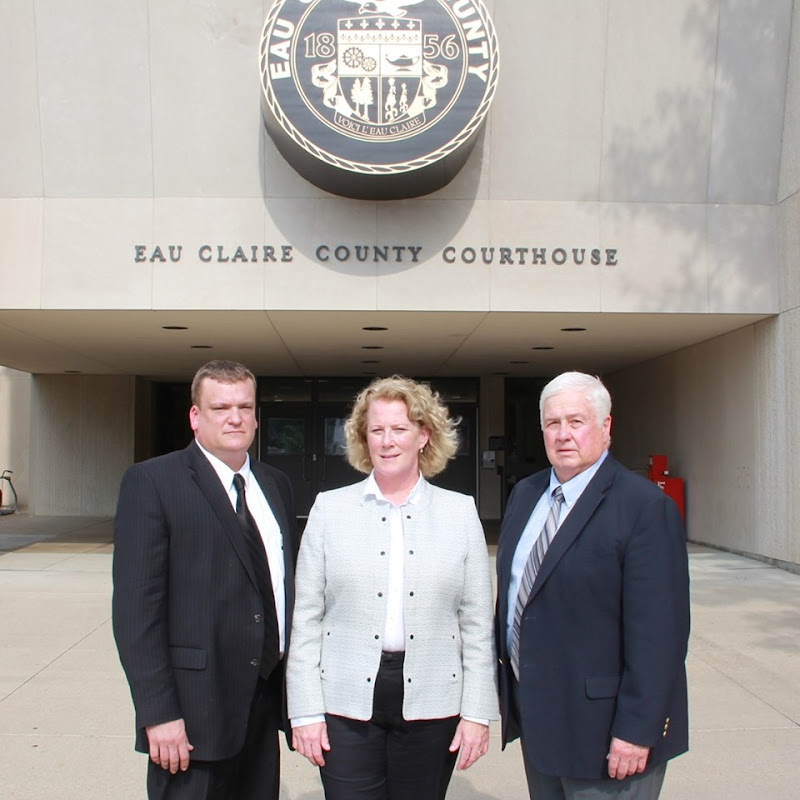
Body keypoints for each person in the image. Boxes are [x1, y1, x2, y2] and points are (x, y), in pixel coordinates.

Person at [287, 375, 497, 800]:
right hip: (343, 699)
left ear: (424, 435)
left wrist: (477, 711)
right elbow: (306, 619)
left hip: (433, 698)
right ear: (362, 438)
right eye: (376, 430)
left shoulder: (460, 513)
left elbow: (476, 624)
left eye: (399, 429)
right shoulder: (329, 510)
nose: (387, 441)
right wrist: (304, 710)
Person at [495, 372, 690, 800]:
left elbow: (661, 635)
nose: (563, 434)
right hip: (540, 722)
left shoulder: (644, 508)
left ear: (605, 426)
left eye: (576, 421)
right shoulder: (526, 495)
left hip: (607, 735)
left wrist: (637, 730)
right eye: (553, 423)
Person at [112, 360, 297, 800]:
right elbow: (136, 612)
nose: (235, 418)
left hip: (263, 705)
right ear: (195, 416)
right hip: (192, 715)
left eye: (244, 407)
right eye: (220, 408)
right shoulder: (153, 481)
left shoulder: (276, 485)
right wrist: (158, 713)